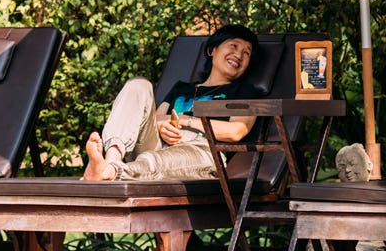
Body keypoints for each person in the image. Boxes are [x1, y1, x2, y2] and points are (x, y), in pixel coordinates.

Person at [83, 25, 261, 181]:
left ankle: (110, 172)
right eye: (234, 46)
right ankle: (111, 158)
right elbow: (158, 119)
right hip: (160, 142)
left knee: (156, 161)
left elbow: (237, 131)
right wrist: (163, 128)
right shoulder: (182, 88)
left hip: (202, 149)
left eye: (246, 53)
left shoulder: (245, 91)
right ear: (212, 50)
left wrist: (185, 120)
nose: (239, 55)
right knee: (138, 85)